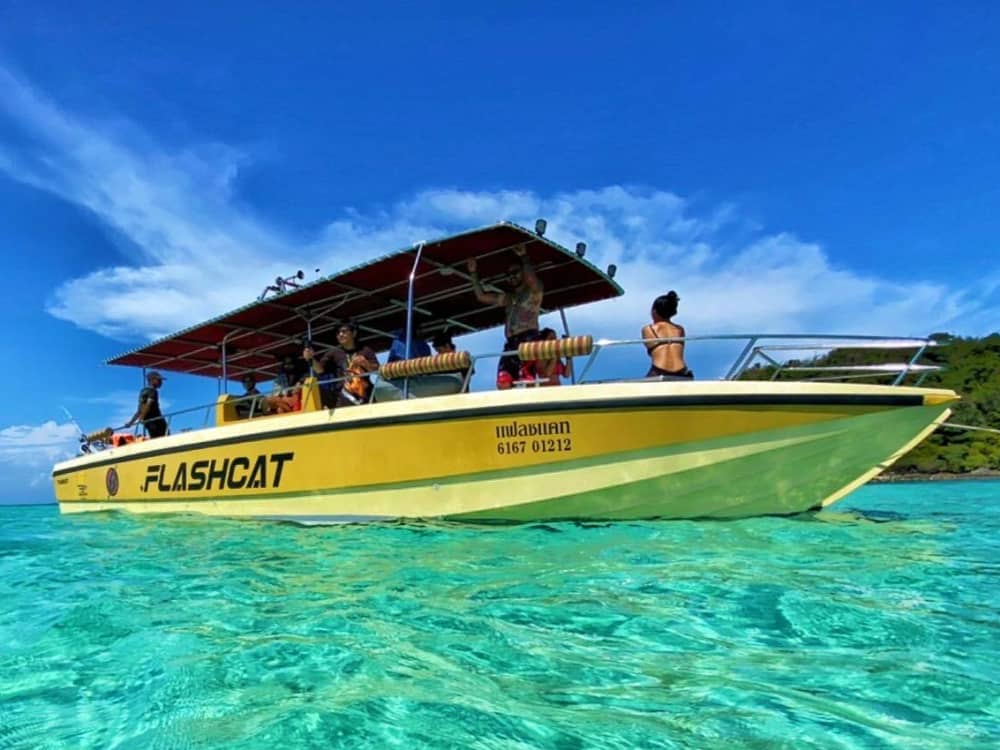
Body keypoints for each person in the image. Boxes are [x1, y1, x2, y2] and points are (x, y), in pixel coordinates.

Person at [466, 243, 544, 389]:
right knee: (503, 380)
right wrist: (473, 273)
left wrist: (524, 256)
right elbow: (481, 296)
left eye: (515, 272)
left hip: (528, 338)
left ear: (523, 272)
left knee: (527, 378)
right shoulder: (508, 298)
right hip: (510, 342)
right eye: (508, 275)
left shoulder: (534, 291)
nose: (512, 276)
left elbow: (532, 280)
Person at [311, 322, 379, 406]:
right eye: (338, 333)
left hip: (367, 397)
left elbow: (377, 370)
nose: (340, 334)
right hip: (344, 399)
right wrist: (311, 358)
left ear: (354, 333)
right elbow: (319, 370)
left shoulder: (365, 350)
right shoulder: (333, 353)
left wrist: (366, 363)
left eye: (344, 331)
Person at [641, 291, 693, 379]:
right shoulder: (680, 329)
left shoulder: (648, 329)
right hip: (682, 372)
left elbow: (653, 353)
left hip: (659, 370)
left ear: (654, 311)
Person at [125, 370, 168, 438]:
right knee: (164, 437)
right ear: (152, 380)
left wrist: (131, 423)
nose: (161, 382)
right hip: (156, 422)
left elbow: (139, 410)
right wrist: (141, 417)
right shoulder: (153, 391)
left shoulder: (143, 391)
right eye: (159, 380)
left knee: (154, 438)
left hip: (148, 422)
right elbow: (149, 404)